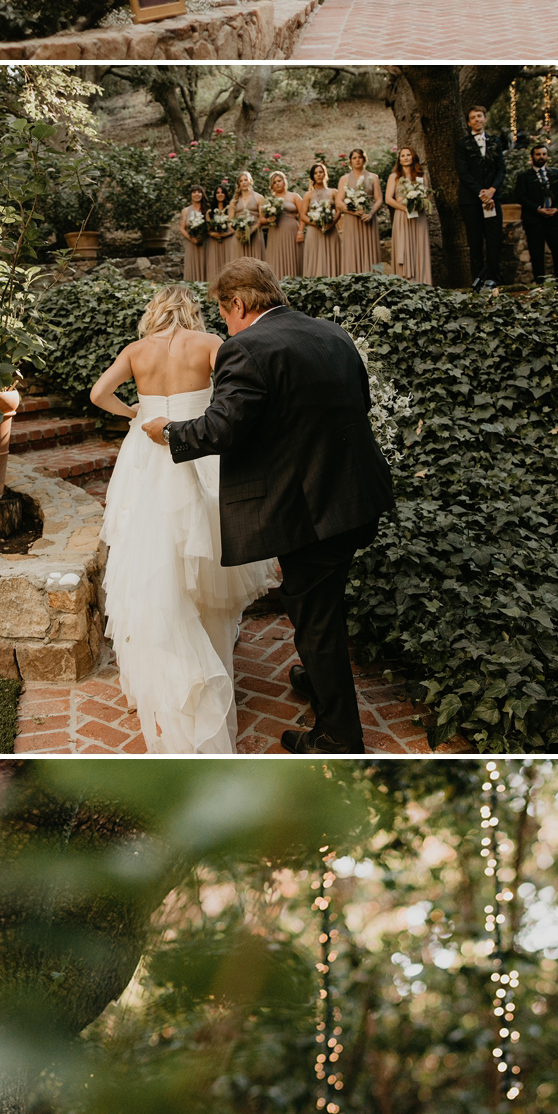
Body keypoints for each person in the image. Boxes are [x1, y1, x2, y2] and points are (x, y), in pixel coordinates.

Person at [144, 260, 396, 753]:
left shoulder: (247, 347)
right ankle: (318, 677)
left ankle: (337, 737)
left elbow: (220, 427)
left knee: (315, 617)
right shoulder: (331, 333)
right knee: (322, 605)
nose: (226, 325)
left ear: (237, 303)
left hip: (311, 512)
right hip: (357, 497)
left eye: (224, 312)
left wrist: (169, 431)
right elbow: (355, 404)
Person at [93, 285, 278, 754]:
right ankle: (211, 655)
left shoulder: (136, 351)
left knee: (153, 556)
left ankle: (170, 671)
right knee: (211, 550)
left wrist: (133, 411)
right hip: (201, 450)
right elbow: (238, 393)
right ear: (192, 310)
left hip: (147, 455)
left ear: (153, 311)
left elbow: (98, 393)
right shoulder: (211, 343)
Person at [458, 104, 507, 287]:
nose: (477, 120)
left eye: (480, 116)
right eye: (473, 117)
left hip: (493, 199)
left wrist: (492, 191)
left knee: (494, 240)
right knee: (475, 242)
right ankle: (478, 281)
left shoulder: (495, 142)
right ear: (469, 123)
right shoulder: (462, 145)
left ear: (485, 119)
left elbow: (501, 169)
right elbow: (463, 172)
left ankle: (494, 279)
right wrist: (481, 193)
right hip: (471, 201)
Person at [515, 141, 558, 283]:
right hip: (534, 220)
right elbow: (520, 196)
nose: (541, 157)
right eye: (538, 154)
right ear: (532, 156)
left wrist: (557, 208)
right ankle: (540, 285)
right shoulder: (524, 176)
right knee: (537, 253)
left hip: (554, 219)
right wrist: (538, 209)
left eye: (544, 154)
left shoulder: (556, 173)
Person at [387, 145, 434, 284]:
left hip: (418, 217)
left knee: (419, 247)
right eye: (403, 155)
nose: (406, 157)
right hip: (402, 216)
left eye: (408, 155)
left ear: (413, 157)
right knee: (404, 248)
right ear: (399, 160)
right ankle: (404, 282)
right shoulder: (394, 177)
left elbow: (428, 196)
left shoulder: (421, 176)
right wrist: (404, 207)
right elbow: (388, 199)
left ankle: (422, 281)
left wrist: (419, 204)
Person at [338, 147, 383, 273]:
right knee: (352, 248)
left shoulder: (373, 177)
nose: (357, 160)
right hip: (351, 219)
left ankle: (373, 276)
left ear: (364, 159)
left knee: (370, 248)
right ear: (350, 161)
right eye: (354, 158)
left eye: (360, 157)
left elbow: (379, 199)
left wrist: (370, 213)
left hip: (368, 218)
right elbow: (339, 201)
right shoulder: (344, 179)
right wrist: (352, 211)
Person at [298, 160, 343, 279]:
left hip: (331, 229)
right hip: (314, 230)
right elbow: (302, 215)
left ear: (325, 174)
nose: (318, 174)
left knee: (331, 255)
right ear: (312, 176)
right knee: (314, 256)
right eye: (316, 173)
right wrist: (316, 223)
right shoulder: (308, 195)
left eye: (321, 172)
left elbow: (339, 210)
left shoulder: (334, 192)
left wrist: (331, 223)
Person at [263, 170, 301, 278]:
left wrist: (300, 231)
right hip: (275, 232)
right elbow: (263, 219)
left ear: (284, 181)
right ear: (272, 185)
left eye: (279, 181)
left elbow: (303, 215)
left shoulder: (294, 196)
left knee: (292, 256)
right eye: (274, 182)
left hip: (292, 232)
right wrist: (269, 219)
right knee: (276, 257)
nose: (277, 183)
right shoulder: (269, 201)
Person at [204, 179, 236, 290]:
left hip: (228, 239)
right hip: (214, 241)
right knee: (214, 264)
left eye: (222, 192)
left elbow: (233, 225)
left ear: (225, 194)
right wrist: (214, 234)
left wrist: (226, 234)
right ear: (215, 195)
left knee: (229, 263)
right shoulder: (210, 211)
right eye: (217, 192)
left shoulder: (230, 209)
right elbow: (207, 229)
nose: (220, 194)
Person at [179, 184, 210, 284]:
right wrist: (191, 238)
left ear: (202, 194)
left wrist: (202, 236)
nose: (197, 194)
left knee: (207, 265)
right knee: (192, 267)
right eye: (194, 192)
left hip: (206, 243)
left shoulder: (207, 209)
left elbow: (210, 226)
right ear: (191, 194)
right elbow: (182, 229)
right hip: (191, 243)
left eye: (199, 192)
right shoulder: (185, 210)